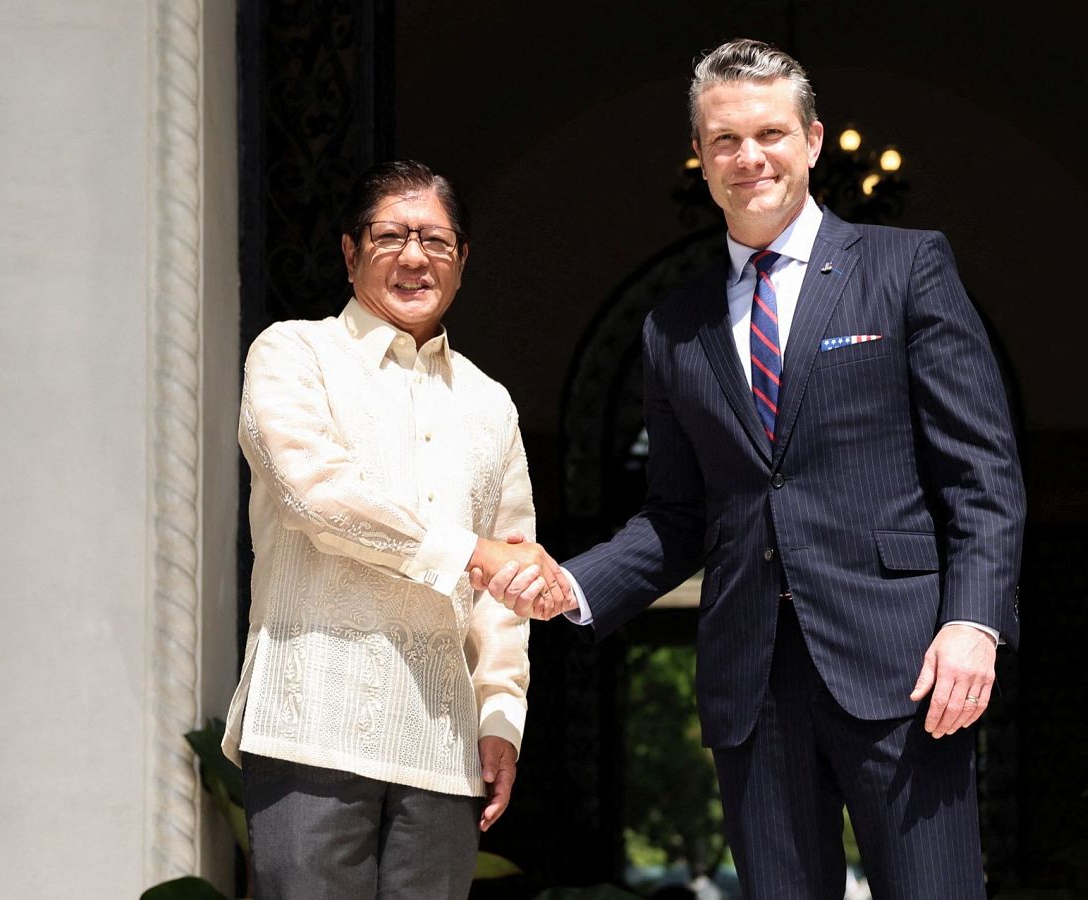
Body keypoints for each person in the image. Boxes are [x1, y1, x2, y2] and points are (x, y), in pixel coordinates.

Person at [483, 39, 1024, 899]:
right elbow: (679, 516)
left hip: (905, 666)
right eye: (725, 140)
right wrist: (574, 585)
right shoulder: (675, 327)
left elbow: (981, 475)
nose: (750, 157)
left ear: (812, 140)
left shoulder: (907, 268)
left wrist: (974, 623)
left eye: (770, 133)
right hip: (752, 683)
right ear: (700, 159)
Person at [223, 159, 565, 900]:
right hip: (312, 720)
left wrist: (502, 715)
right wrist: (473, 553)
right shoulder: (292, 354)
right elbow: (318, 497)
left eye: (437, 241)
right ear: (351, 252)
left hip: (442, 747)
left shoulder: (490, 403)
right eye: (391, 236)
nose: (415, 257)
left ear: (464, 259)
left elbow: (506, 582)